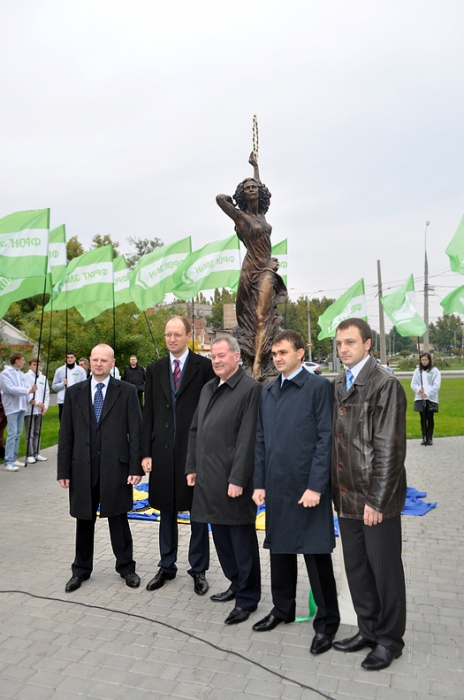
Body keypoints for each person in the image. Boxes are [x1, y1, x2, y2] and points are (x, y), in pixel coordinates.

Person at [253, 330, 340, 654]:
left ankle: (327, 624)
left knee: (316, 557)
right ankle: (282, 608)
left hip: (307, 489)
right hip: (277, 486)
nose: (277, 358)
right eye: (274, 353)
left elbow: (325, 438)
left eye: (283, 352)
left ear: (301, 353)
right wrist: (259, 483)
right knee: (281, 552)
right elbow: (261, 439)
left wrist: (316, 486)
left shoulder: (318, 387)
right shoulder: (269, 390)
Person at [332, 318, 407, 671]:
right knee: (358, 570)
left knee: (385, 571)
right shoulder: (338, 384)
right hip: (346, 497)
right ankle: (368, 629)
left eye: (350, 342)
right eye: (339, 343)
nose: (343, 349)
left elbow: (389, 450)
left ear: (367, 344)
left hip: (376, 500)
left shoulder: (384, 384)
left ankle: (390, 640)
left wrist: (376, 500)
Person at [185, 335, 262, 625]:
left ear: (236, 356)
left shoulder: (249, 389)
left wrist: (239, 478)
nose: (216, 361)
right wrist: (191, 466)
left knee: (241, 541)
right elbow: (195, 429)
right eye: (213, 356)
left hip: (233, 482)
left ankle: (248, 598)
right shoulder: (208, 388)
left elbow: (248, 439)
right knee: (220, 539)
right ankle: (235, 583)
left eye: (222, 356)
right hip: (207, 480)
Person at [57, 343, 143, 592]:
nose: (98, 364)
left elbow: (135, 432)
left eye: (104, 360)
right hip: (82, 469)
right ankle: (81, 570)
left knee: (118, 519)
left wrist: (135, 467)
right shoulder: (74, 393)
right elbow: (66, 435)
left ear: (113, 363)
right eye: (94, 359)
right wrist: (63, 470)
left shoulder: (126, 391)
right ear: (89, 362)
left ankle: (127, 568)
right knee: (84, 520)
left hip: (115, 468)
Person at [142, 317, 214, 595]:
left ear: (188, 336)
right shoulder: (155, 369)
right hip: (162, 454)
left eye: (177, 334)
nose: (172, 339)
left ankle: (198, 569)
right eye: (167, 334)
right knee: (166, 511)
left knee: (198, 513)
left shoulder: (204, 367)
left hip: (193, 453)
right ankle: (166, 566)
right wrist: (145, 453)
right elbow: (148, 414)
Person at [216, 153, 287, 380]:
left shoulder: (262, 214)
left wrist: (255, 167)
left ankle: (258, 364)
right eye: (246, 187)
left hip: (266, 269)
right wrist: (230, 198)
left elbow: (259, 184)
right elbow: (219, 199)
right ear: (242, 194)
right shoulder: (240, 217)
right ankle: (255, 363)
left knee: (261, 316)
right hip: (250, 271)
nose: (251, 188)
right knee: (249, 318)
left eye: (253, 186)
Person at [0, 353, 37, 471]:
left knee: (18, 433)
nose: (24, 362)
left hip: (22, 407)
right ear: (16, 361)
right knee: (12, 433)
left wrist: (30, 397)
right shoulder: (5, 374)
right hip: (12, 407)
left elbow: (27, 388)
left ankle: (14, 458)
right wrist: (28, 390)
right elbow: (10, 389)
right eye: (22, 360)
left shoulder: (21, 374)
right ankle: (8, 461)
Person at [411, 352, 441, 446]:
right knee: (423, 418)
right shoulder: (417, 371)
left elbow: (436, 385)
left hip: (431, 398)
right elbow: (413, 384)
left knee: (430, 417)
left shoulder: (435, 371)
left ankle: (429, 437)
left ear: (429, 360)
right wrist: (419, 390)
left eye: (426, 360)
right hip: (420, 398)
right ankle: (424, 437)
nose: (424, 362)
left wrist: (427, 393)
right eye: (422, 360)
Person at [24, 358, 50, 464]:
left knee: (37, 432)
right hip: (30, 409)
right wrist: (35, 401)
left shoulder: (43, 378)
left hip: (39, 410)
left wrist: (45, 407)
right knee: (30, 432)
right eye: (34, 364)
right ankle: (29, 454)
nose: (37, 366)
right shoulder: (25, 377)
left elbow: (47, 393)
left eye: (38, 365)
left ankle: (36, 453)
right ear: (30, 366)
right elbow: (25, 391)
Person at [52, 351, 87, 421]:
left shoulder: (80, 370)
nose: (69, 359)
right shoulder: (59, 370)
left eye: (71, 357)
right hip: (63, 400)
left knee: (76, 421)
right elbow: (54, 386)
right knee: (63, 421)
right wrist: (62, 384)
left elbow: (84, 386)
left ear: (75, 358)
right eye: (68, 357)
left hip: (76, 400)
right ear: (65, 359)